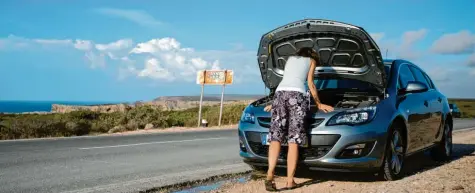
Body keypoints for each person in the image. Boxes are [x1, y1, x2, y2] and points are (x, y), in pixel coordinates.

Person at [263, 47, 334, 191]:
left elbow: (288, 81)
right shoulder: (311, 61)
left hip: (280, 94)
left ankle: (270, 174)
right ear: (312, 55)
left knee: (275, 137)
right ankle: (290, 181)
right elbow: (310, 84)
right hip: (297, 96)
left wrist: (274, 104)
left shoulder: (289, 60)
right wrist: (319, 103)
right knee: (293, 139)